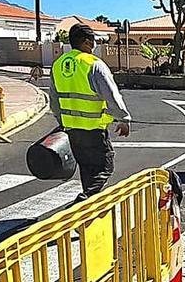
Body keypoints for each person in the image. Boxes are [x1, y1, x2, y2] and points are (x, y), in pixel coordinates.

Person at [49, 23, 131, 200]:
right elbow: (111, 95)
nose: (94, 46)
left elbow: (54, 102)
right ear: (86, 42)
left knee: (87, 169)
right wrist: (123, 119)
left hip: (72, 130)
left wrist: (63, 122)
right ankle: (87, 197)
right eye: (93, 41)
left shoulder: (58, 65)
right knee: (104, 167)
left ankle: (89, 209)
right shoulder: (93, 65)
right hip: (94, 129)